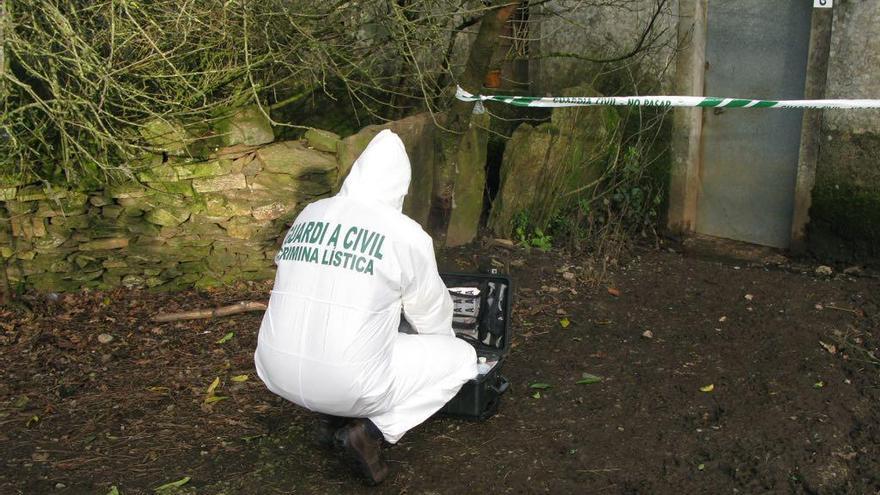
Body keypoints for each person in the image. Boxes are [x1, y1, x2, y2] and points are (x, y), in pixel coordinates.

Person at [254, 129, 478, 484]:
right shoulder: (404, 233)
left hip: (274, 369)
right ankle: (371, 433)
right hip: (348, 381)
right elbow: (429, 312)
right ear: (400, 187)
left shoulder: (311, 213)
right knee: (462, 359)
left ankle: (328, 419)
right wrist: (443, 346)